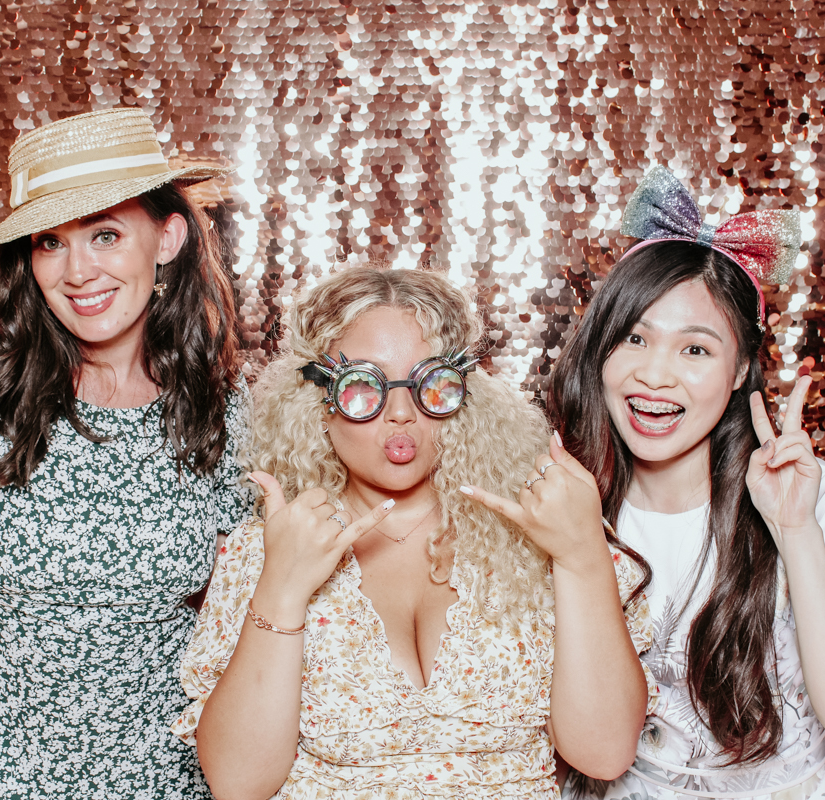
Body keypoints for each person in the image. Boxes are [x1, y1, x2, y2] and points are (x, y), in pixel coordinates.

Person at [0, 107, 251, 800]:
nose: (77, 272)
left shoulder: (220, 407)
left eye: (105, 234)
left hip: (170, 783)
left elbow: (247, 626)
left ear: (166, 238)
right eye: (49, 242)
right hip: (5, 784)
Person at [172, 267, 658, 800]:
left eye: (431, 383)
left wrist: (581, 554)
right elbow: (237, 783)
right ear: (317, 400)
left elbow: (605, 753)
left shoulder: (540, 533)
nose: (401, 414)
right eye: (363, 386)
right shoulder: (268, 547)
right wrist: (281, 590)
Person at [551, 167, 825, 799]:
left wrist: (796, 530)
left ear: (740, 374)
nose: (656, 375)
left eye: (696, 350)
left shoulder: (808, 493)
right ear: (601, 352)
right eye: (634, 338)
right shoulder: (564, 501)